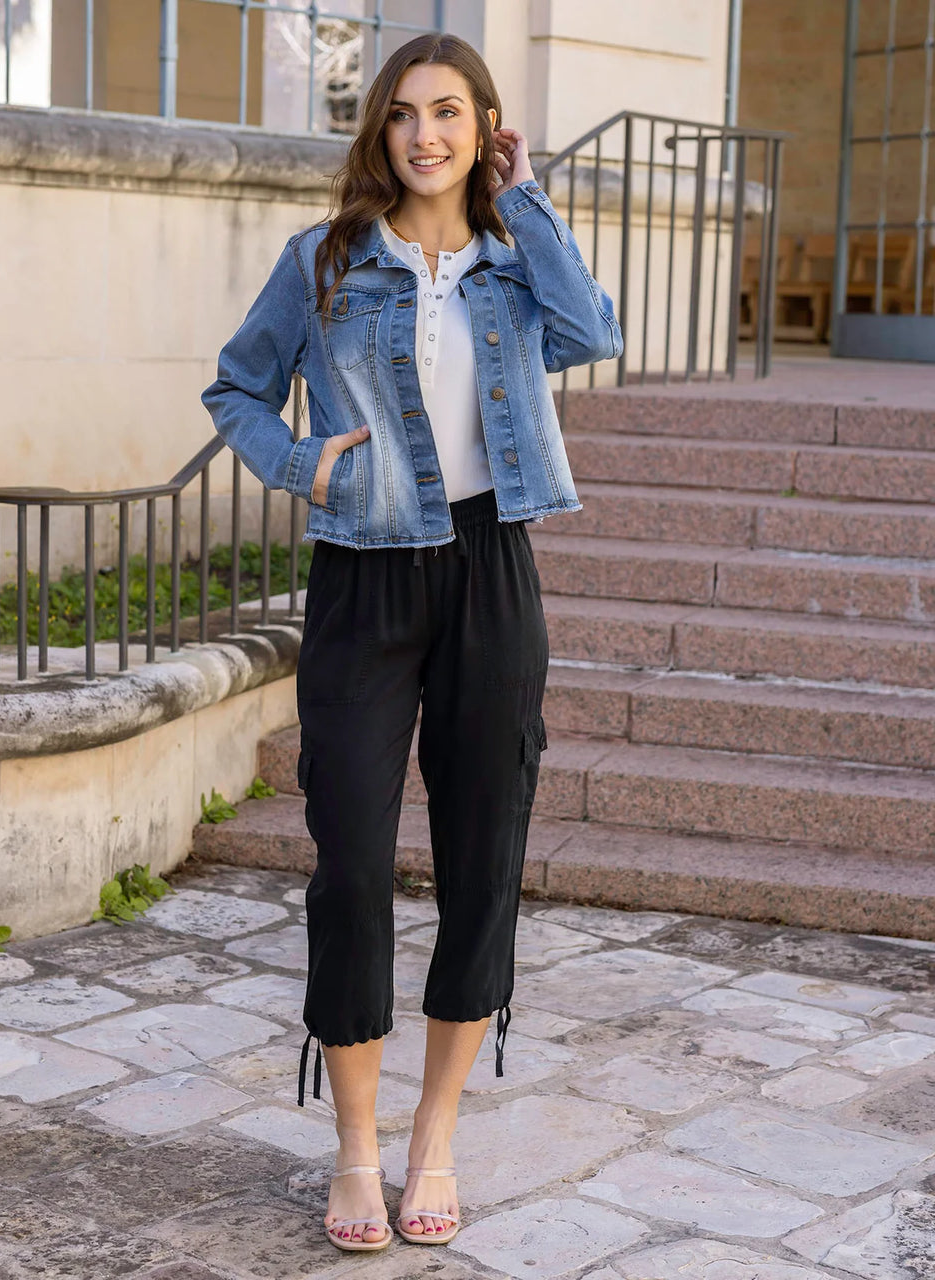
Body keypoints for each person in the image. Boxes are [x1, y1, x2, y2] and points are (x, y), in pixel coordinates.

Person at [203, 31, 622, 1255]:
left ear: (482, 127)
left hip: (493, 571)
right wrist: (296, 459)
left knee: (484, 853)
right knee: (348, 866)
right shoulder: (324, 260)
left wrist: (524, 191)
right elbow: (235, 386)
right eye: (403, 115)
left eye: (449, 113)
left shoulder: (511, 261)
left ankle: (435, 1135)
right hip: (364, 577)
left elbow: (589, 335)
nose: (423, 134)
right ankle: (354, 1145)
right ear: (379, 133)